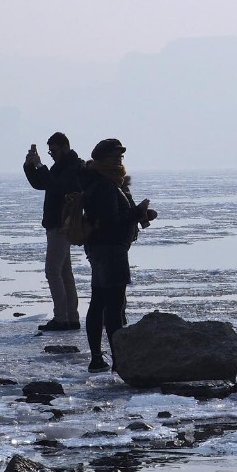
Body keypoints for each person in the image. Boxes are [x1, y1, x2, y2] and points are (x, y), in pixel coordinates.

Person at [80, 138, 157, 373]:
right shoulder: (105, 184)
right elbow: (112, 222)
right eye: (114, 156)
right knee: (113, 306)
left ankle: (99, 358)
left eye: (120, 156)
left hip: (101, 249)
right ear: (101, 159)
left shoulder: (106, 181)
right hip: (110, 250)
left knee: (100, 303)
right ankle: (116, 358)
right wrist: (138, 213)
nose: (119, 160)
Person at [23, 132, 85, 331]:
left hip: (61, 225)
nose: (51, 154)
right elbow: (41, 184)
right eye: (49, 152)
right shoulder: (62, 166)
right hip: (56, 224)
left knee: (53, 271)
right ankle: (70, 317)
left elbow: (57, 187)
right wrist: (30, 167)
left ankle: (62, 317)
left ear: (65, 147)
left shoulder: (74, 167)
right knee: (65, 272)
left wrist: (40, 166)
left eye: (54, 151)